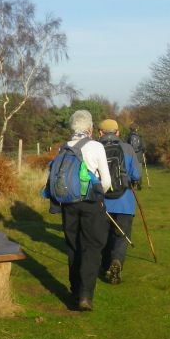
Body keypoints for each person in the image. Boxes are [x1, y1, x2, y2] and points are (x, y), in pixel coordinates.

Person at [53, 110, 112, 311]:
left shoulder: (64, 147)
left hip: (68, 204)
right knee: (92, 246)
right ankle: (86, 295)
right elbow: (106, 181)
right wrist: (96, 194)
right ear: (90, 128)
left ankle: (74, 290)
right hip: (90, 204)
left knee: (73, 245)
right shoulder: (96, 146)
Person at [97, 119, 141, 285]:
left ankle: (105, 264)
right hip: (124, 201)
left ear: (100, 133)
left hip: (101, 202)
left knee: (104, 235)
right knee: (122, 236)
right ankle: (117, 261)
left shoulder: (95, 148)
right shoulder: (128, 148)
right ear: (117, 133)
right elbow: (136, 175)